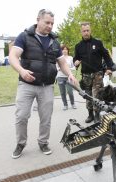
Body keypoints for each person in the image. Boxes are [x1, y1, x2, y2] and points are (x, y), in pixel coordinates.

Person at [9, 9, 77, 159]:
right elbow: (12, 56)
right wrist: (21, 71)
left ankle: (43, 142)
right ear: (38, 20)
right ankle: (20, 144)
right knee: (21, 116)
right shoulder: (25, 36)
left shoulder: (55, 41)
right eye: (47, 22)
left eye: (52, 23)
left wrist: (70, 74)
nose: (50, 26)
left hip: (46, 86)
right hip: (26, 85)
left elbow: (63, 63)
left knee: (46, 118)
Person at [73, 22, 113, 123]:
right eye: (84, 31)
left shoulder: (98, 43)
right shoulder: (78, 46)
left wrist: (109, 67)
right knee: (88, 95)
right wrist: (76, 62)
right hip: (85, 75)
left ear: (90, 31)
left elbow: (106, 55)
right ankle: (90, 114)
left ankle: (97, 115)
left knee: (97, 95)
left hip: (97, 74)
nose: (86, 32)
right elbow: (76, 59)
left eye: (87, 30)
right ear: (81, 32)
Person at [56, 45, 77, 110]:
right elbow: (56, 67)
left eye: (66, 49)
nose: (65, 50)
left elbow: (74, 67)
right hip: (60, 77)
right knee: (62, 92)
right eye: (63, 49)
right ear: (61, 50)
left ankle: (73, 104)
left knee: (70, 91)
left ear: (68, 51)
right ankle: (65, 105)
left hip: (68, 77)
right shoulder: (58, 58)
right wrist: (61, 68)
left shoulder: (70, 58)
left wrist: (68, 67)